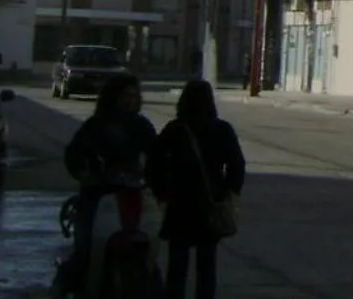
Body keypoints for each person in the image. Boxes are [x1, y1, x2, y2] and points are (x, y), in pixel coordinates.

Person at [147, 80, 244, 299]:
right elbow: (237, 164)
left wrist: (161, 192)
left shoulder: (175, 129)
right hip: (210, 202)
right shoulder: (222, 129)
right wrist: (229, 191)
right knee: (206, 264)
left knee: (177, 264)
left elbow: (154, 164)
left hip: (179, 202)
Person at [62, 73, 157, 294]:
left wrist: (156, 181)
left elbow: (158, 156)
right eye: (125, 95)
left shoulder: (142, 125)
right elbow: (74, 153)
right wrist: (85, 174)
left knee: (150, 261)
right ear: (113, 96)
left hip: (133, 195)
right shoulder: (97, 125)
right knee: (85, 251)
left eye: (134, 95)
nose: (130, 100)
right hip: (99, 195)